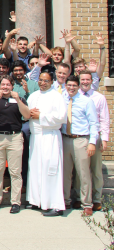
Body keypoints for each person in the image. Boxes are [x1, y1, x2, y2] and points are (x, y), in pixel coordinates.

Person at [0, 75, 30, 213]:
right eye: (3, 84)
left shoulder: (20, 99)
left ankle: (15, 202)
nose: (5, 87)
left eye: (8, 85)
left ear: (12, 86)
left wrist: (18, 99)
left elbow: (27, 115)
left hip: (15, 137)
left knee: (15, 171)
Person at [25, 71, 66, 216]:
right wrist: (29, 113)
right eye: (41, 80)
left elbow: (61, 118)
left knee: (51, 169)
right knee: (36, 169)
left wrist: (40, 116)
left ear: (51, 82)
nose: (42, 83)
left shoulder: (57, 97)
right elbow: (26, 113)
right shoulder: (34, 96)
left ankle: (55, 204)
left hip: (50, 136)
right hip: (36, 137)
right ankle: (37, 200)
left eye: (46, 81)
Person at [61, 76, 98, 217]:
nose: (71, 88)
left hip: (81, 139)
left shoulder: (86, 101)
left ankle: (87, 204)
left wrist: (92, 143)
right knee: (65, 173)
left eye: (74, 86)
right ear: (65, 86)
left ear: (78, 87)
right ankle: (65, 200)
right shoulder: (62, 99)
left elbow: (94, 123)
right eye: (69, 85)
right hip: (65, 139)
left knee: (83, 173)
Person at [76, 70, 109, 211]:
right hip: (80, 137)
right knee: (81, 170)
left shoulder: (99, 97)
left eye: (87, 79)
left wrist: (105, 139)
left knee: (95, 170)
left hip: (94, 137)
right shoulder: (74, 96)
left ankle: (96, 199)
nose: (85, 82)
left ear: (91, 81)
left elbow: (104, 119)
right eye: (82, 79)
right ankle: (79, 197)